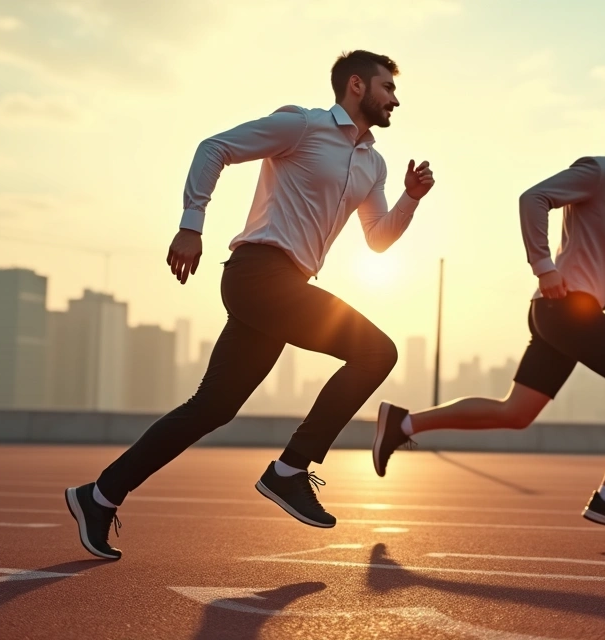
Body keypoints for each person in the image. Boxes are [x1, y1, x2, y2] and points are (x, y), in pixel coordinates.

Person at [64, 50, 436, 560]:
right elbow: (213, 147)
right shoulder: (301, 126)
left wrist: (411, 199)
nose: (395, 98)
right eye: (387, 87)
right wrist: (191, 225)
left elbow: (377, 239)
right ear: (356, 86)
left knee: (212, 408)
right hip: (258, 274)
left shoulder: (373, 162)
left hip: (284, 287)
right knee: (377, 352)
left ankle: (100, 495)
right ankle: (290, 469)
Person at [371, 96, 605, 533]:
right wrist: (544, 266)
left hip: (566, 314)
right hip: (566, 308)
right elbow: (534, 197)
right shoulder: (599, 171)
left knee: (516, 413)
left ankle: (402, 423)